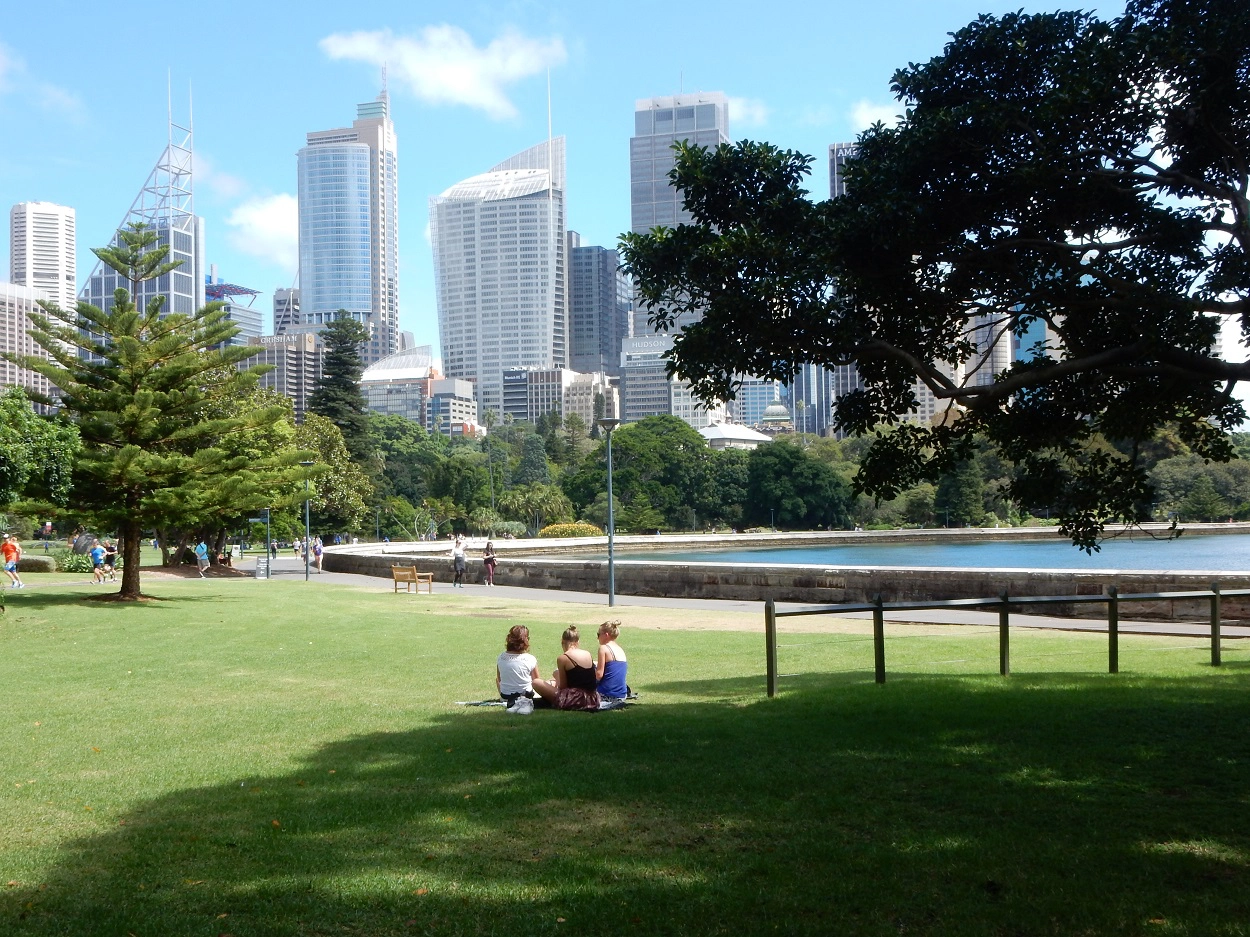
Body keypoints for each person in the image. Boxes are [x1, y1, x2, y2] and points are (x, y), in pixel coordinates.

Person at [532, 626, 601, 712]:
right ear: (577, 642)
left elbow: (563, 688)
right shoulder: (587, 654)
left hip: (575, 699)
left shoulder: (563, 658)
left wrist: (557, 677)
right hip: (592, 699)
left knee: (536, 682)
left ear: (562, 641)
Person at [496, 625, 543, 708]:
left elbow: (499, 679)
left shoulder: (501, 657)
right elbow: (537, 681)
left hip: (505, 696)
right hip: (527, 695)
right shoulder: (530, 659)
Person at [596, 620, 629, 700]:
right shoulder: (620, 649)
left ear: (606, 635)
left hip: (607, 693)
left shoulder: (603, 648)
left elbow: (599, 675)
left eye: (598, 634)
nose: (597, 637)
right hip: (622, 694)